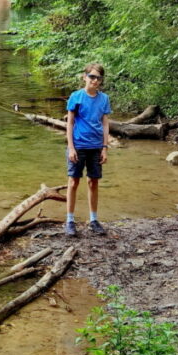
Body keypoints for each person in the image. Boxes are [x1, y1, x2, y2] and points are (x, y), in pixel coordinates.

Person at [64, 63, 111, 237]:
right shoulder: (76, 97)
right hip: (78, 145)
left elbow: (105, 123)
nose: (95, 80)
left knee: (93, 182)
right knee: (73, 182)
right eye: (92, 76)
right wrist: (71, 147)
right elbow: (70, 123)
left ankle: (93, 220)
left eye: (98, 78)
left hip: (96, 146)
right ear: (84, 77)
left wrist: (105, 148)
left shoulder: (104, 99)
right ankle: (69, 220)